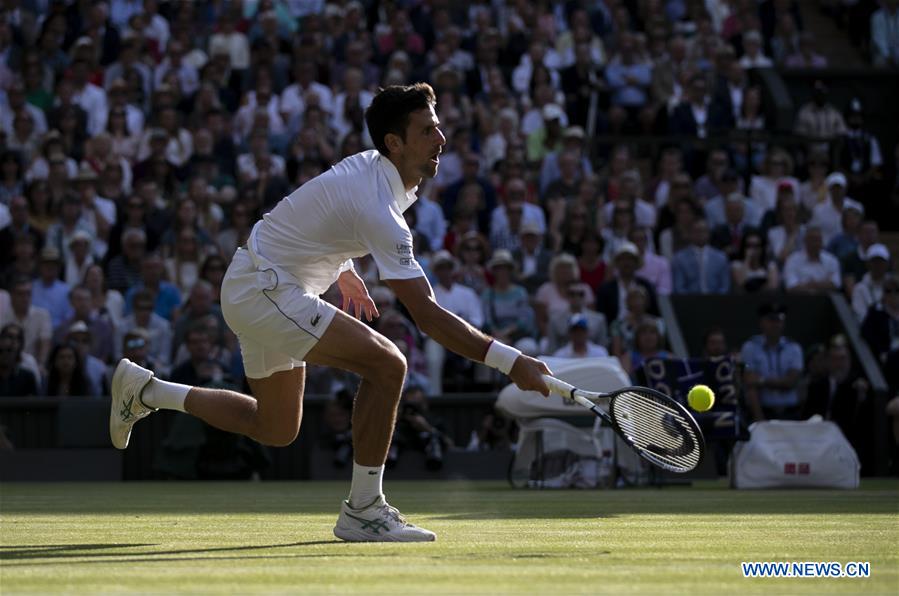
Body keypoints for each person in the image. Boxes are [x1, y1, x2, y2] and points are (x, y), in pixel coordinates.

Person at [109, 84, 551, 542]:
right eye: (427, 130)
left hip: (256, 281)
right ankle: (364, 509)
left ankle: (147, 391)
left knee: (275, 427)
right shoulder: (379, 209)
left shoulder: (369, 170)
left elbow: (316, 212)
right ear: (394, 143)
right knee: (387, 364)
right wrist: (510, 361)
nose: (441, 139)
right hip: (266, 288)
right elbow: (428, 316)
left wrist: (342, 267)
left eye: (438, 127)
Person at [741, 303, 804, 421]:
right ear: (761, 322)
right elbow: (750, 382)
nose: (775, 324)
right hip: (763, 411)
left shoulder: (794, 348)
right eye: (771, 320)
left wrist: (761, 380)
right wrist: (759, 418)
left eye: (779, 320)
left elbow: (791, 382)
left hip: (790, 412)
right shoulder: (750, 347)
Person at [672, 219, 731, 295]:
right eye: (697, 231)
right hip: (689, 302)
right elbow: (679, 287)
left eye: (704, 231)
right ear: (690, 233)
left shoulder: (721, 258)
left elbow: (725, 287)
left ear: (709, 233)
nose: (700, 234)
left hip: (716, 302)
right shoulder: (679, 258)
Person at [783, 226, 841, 293]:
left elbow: (836, 284)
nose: (815, 243)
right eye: (812, 240)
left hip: (826, 300)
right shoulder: (792, 260)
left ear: (822, 242)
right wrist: (822, 285)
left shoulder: (832, 260)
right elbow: (791, 286)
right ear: (805, 241)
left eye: (818, 240)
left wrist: (811, 285)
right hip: (800, 299)